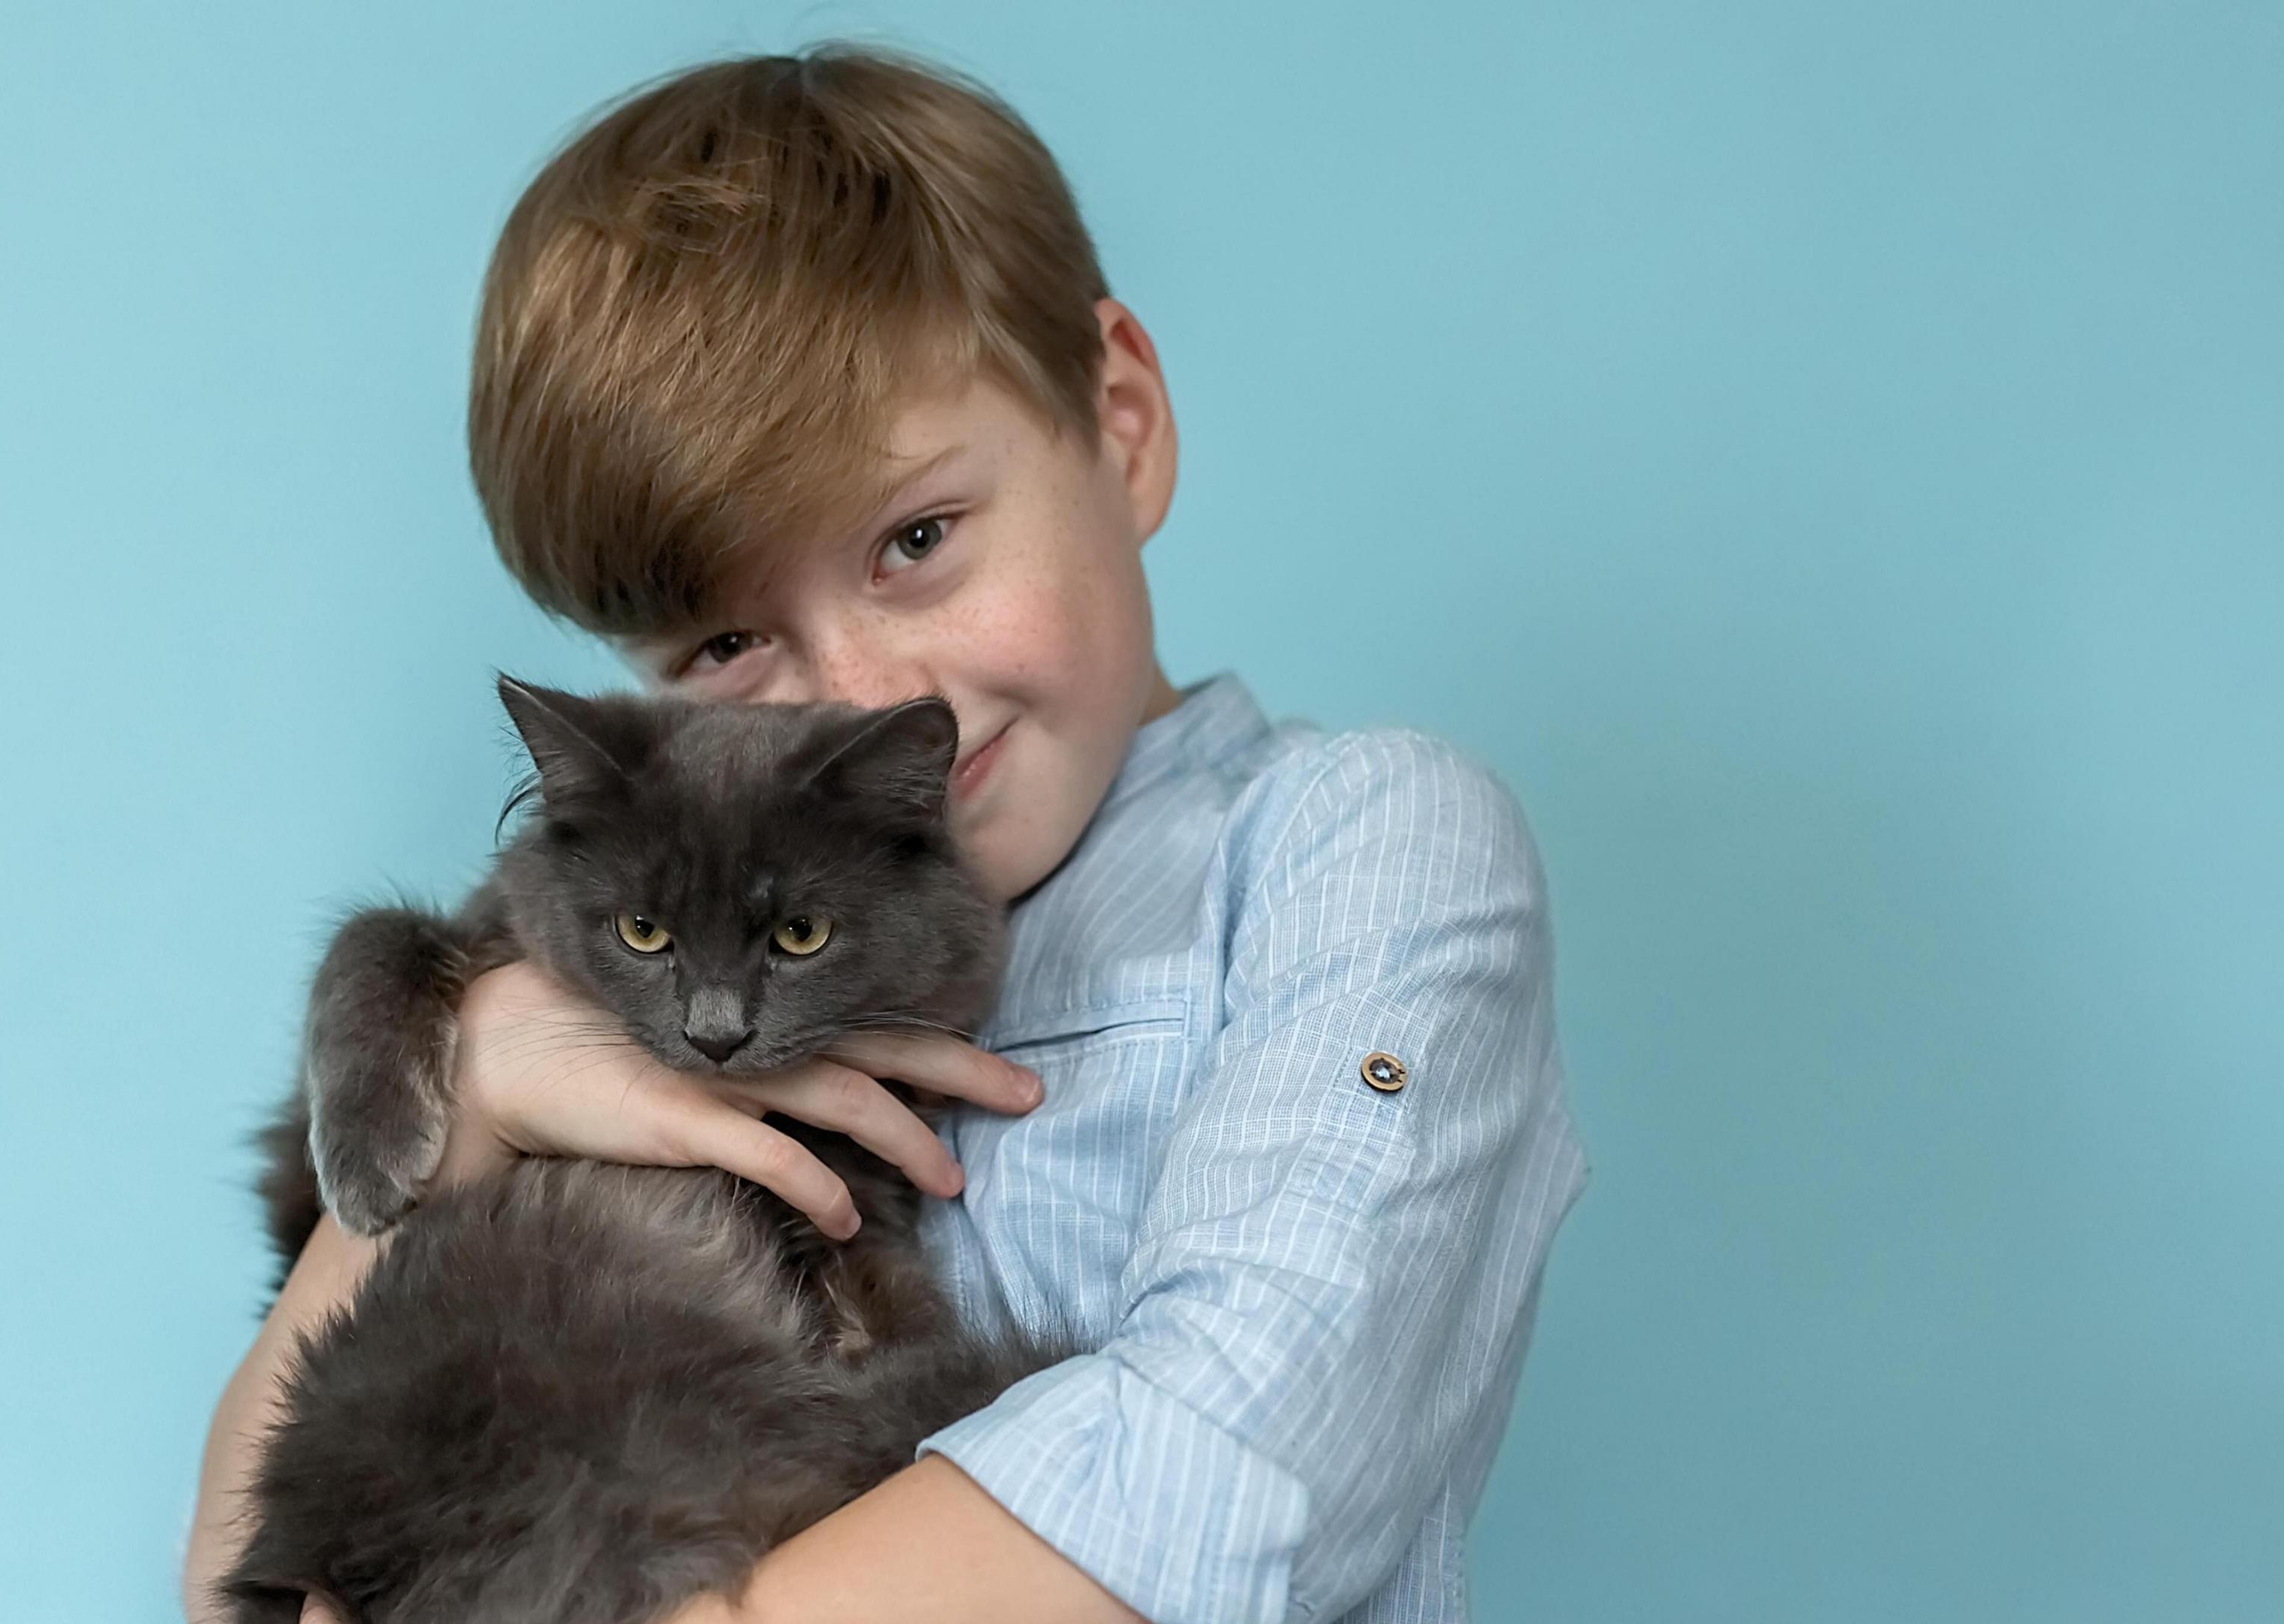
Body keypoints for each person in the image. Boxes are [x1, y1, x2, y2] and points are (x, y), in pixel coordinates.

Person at [186, 43, 1588, 1624]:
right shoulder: (647, 942)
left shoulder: (1360, 857)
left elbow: (1227, 1465)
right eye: (728, 648)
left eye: (917, 541)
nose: (860, 695)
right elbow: (243, 1566)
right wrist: (483, 1090)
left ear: (1120, 422)